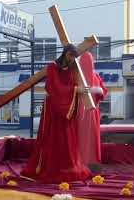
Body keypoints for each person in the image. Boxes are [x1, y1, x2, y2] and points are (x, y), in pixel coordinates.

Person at [21, 44, 91, 183]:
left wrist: (79, 90)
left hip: (66, 109)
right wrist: (75, 90)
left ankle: (67, 167)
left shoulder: (72, 69)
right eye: (70, 55)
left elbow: (71, 84)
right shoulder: (52, 66)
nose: (72, 59)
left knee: (67, 139)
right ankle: (50, 168)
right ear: (65, 53)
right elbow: (54, 86)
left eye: (74, 57)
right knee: (52, 137)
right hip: (53, 108)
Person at [76, 51, 108, 171]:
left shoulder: (76, 76)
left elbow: (102, 92)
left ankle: (80, 162)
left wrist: (91, 90)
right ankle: (89, 163)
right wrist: (96, 90)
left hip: (80, 114)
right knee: (89, 140)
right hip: (89, 113)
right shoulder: (94, 77)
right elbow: (102, 92)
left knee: (80, 139)